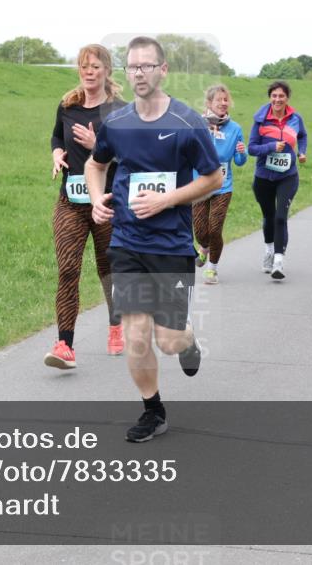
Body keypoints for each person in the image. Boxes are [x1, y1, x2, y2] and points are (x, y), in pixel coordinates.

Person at [85, 36, 222, 442]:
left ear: (163, 70)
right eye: (132, 67)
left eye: (146, 66)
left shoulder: (186, 123)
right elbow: (96, 165)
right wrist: (96, 200)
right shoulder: (117, 123)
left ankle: (188, 341)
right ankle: (153, 411)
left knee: (168, 339)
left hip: (172, 246)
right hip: (127, 242)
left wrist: (167, 201)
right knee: (136, 335)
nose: (139, 73)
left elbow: (213, 178)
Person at [45, 45, 127, 370]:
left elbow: (133, 158)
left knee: (108, 270)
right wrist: (56, 154)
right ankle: (65, 345)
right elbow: (55, 137)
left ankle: (116, 323)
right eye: (83, 66)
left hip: (107, 203)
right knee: (67, 270)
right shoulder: (68, 106)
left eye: (95, 66)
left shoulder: (120, 111)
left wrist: (99, 148)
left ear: (106, 70)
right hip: (71, 202)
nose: (88, 71)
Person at [248, 80, 308, 280]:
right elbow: (252, 148)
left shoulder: (295, 119)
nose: (277, 99)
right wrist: (271, 147)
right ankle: (268, 250)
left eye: (281, 96)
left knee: (281, 217)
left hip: (288, 176)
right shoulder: (260, 120)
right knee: (269, 217)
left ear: (287, 98)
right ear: (270, 98)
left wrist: (302, 152)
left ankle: (279, 261)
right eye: (274, 96)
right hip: (264, 176)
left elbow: (303, 136)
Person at [193, 84, 247, 284]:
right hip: (198, 185)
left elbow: (240, 162)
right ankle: (204, 247)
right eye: (219, 100)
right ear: (209, 103)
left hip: (223, 187)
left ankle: (212, 268)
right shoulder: (197, 124)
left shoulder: (235, 128)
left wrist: (241, 151)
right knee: (200, 230)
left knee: (215, 229)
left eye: (226, 100)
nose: (224, 103)